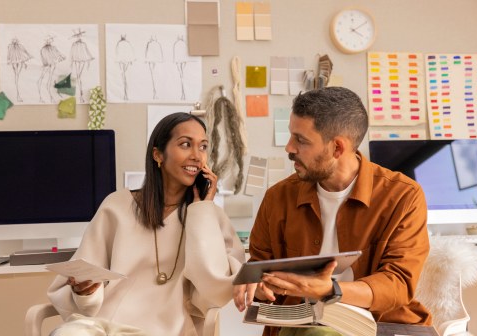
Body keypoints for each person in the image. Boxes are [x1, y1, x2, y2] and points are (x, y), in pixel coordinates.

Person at [233, 87, 432, 336]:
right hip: (299, 323)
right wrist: (257, 284)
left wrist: (329, 289)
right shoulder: (278, 197)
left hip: (379, 324)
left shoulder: (403, 195)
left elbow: (398, 284)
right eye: (291, 136)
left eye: (301, 140)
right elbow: (260, 266)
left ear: (337, 148)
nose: (289, 147)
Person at [48, 112, 245, 335]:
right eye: (185, 144)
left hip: (168, 329)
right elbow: (87, 282)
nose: (196, 156)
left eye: (203, 146)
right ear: (158, 155)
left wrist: (202, 211)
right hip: (104, 324)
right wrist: (85, 291)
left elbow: (214, 290)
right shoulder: (117, 206)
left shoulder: (209, 217)